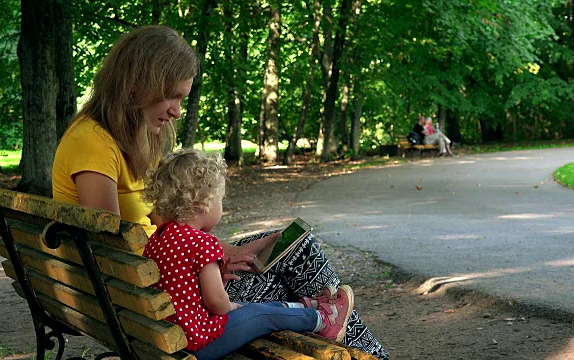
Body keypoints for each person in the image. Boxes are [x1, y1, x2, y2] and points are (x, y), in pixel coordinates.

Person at [52, 25, 389, 359]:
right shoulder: (93, 143)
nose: (176, 111)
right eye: (172, 96)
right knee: (301, 270)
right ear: (137, 83)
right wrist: (202, 265)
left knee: (289, 248)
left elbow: (165, 223)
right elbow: (111, 250)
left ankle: (337, 330)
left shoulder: (129, 137)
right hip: (155, 299)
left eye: (181, 99)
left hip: (155, 280)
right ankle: (359, 348)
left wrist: (224, 252)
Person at [141, 149, 355, 359]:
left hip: (174, 336)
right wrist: (233, 307)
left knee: (257, 309)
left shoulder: (159, 238)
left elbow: (179, 287)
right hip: (199, 341)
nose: (221, 207)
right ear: (203, 203)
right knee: (259, 315)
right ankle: (323, 320)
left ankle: (307, 307)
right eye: (220, 200)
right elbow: (217, 303)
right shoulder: (203, 242)